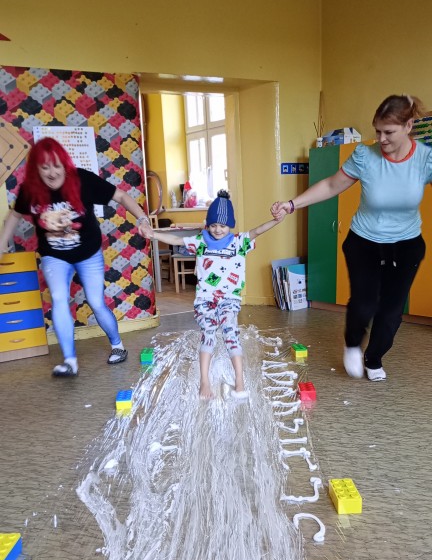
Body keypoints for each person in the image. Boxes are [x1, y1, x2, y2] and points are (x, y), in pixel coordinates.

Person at [272, 94, 432, 382]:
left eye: (389, 132)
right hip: (364, 242)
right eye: (377, 131)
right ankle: (352, 344)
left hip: (406, 245)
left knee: (391, 311)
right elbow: (332, 185)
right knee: (364, 302)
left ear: (409, 126)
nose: (381, 139)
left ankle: (374, 358)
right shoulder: (365, 156)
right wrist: (292, 204)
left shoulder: (425, 158)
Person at [0, 137, 150, 377]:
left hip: (88, 253)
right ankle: (70, 361)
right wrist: (1, 244)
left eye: (57, 166)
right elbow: (15, 216)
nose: (52, 173)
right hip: (54, 256)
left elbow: (121, 196)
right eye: (45, 167)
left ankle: (118, 346)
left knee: (96, 302)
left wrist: (142, 219)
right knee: (59, 299)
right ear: (36, 169)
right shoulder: (30, 189)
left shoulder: (82, 180)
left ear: (65, 164)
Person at [141, 190, 285, 399]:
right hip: (205, 300)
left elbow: (257, 231)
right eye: (214, 225)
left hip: (229, 300)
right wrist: (153, 234)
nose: (218, 230)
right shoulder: (201, 241)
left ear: (230, 226)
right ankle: (204, 383)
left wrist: (276, 220)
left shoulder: (239, 242)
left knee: (230, 334)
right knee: (208, 334)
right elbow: (176, 240)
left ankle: (240, 382)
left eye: (223, 226)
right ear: (208, 224)